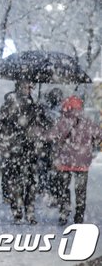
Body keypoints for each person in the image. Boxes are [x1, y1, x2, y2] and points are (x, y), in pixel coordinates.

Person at [0, 80, 44, 224]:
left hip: (28, 148)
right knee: (17, 181)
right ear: (19, 88)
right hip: (15, 148)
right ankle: (19, 211)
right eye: (26, 86)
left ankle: (27, 211)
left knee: (29, 182)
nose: (29, 89)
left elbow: (41, 124)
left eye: (30, 87)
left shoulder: (33, 105)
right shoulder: (10, 105)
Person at [48, 96, 102, 225]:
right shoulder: (87, 122)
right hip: (82, 162)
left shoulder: (63, 121)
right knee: (80, 191)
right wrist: (92, 142)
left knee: (63, 188)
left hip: (65, 161)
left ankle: (64, 213)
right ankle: (79, 216)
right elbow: (99, 134)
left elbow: (50, 136)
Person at [38, 87, 64, 205]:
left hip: (50, 146)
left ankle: (50, 192)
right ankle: (52, 193)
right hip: (51, 146)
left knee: (48, 171)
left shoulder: (47, 111)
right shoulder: (60, 112)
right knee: (50, 171)